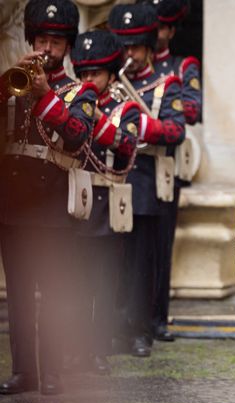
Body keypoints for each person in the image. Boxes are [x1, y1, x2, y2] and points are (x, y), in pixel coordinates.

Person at [0, 0, 97, 395]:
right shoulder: (11, 81)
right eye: (41, 39)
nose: (47, 48)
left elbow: (78, 134)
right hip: (12, 203)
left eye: (56, 41)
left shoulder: (80, 91)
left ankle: (54, 372)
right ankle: (25, 371)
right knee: (19, 293)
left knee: (54, 293)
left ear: (68, 46)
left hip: (54, 204)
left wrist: (44, 96)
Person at [108, 2, 186, 358]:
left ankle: (140, 330)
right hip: (109, 178)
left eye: (135, 47)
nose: (129, 54)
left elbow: (176, 130)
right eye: (124, 47)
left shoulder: (165, 85)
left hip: (144, 180)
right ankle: (111, 328)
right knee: (113, 260)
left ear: (149, 46)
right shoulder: (107, 84)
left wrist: (144, 125)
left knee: (141, 262)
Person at [70, 29, 141, 375]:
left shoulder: (124, 108)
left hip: (110, 203)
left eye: (95, 74)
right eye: (83, 73)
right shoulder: (71, 99)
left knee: (104, 283)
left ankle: (99, 349)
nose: (88, 80)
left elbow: (127, 146)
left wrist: (95, 117)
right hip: (76, 201)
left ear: (111, 75)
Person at [139, 0, 203, 343]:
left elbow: (192, 108)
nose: (157, 33)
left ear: (171, 30)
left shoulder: (182, 66)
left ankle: (157, 316)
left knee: (161, 245)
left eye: (162, 27)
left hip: (167, 163)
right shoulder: (127, 68)